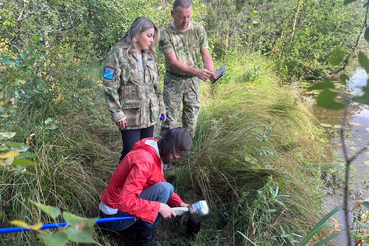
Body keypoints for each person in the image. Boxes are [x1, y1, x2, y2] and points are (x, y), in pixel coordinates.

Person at [99, 128, 192, 246]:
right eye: (178, 153)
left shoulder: (154, 151)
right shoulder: (145, 160)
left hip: (117, 209)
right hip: (112, 218)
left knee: (167, 188)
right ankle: (144, 240)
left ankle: (141, 226)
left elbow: (157, 181)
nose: (177, 157)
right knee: (165, 189)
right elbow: (125, 202)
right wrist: (157, 207)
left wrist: (180, 203)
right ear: (171, 146)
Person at [103, 17, 166, 164]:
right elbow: (109, 86)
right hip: (130, 117)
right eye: (149, 36)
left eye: (153, 37)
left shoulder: (148, 56)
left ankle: (141, 186)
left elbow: (156, 85)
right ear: (137, 34)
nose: (151, 40)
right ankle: (119, 186)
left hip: (149, 115)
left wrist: (161, 107)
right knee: (130, 155)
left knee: (146, 154)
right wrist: (117, 114)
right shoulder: (117, 54)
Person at [159, 0, 216, 138]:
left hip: (192, 83)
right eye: (182, 16)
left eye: (189, 16)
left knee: (191, 120)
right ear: (173, 14)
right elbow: (173, 62)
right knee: (168, 120)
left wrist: (210, 72)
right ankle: (164, 154)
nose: (186, 20)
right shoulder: (165, 33)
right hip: (173, 80)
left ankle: (185, 153)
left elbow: (206, 55)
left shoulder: (198, 30)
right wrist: (197, 71)